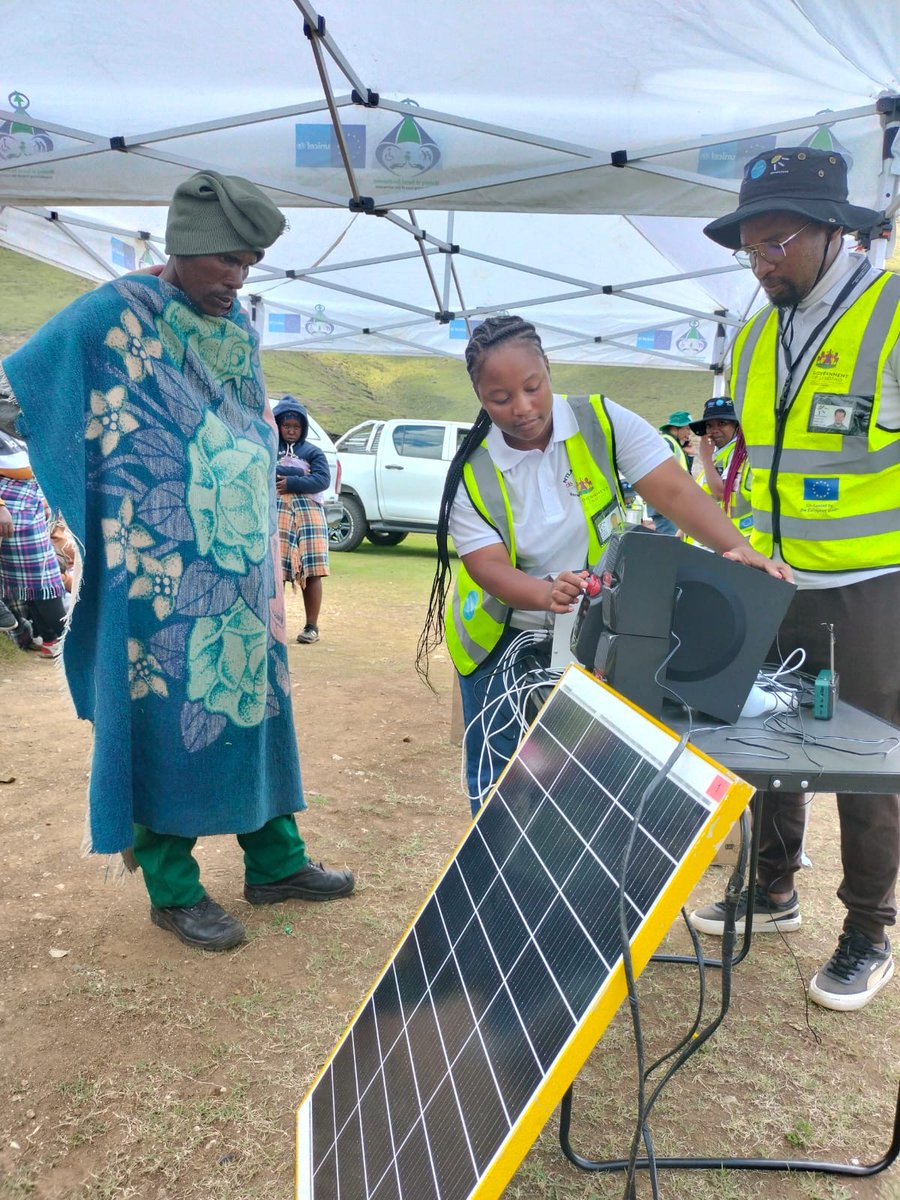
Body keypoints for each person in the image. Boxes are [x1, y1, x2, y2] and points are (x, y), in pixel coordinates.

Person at [1, 170, 354, 951]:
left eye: (249, 264)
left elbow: (242, 421)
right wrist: (103, 487)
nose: (237, 279)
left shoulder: (237, 331)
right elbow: (31, 378)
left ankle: (275, 863)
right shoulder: (113, 313)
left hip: (240, 560)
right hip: (153, 568)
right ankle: (172, 887)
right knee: (164, 712)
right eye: (226, 260)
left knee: (256, 705)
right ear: (184, 247)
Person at [416, 315, 791, 813]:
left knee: (579, 772)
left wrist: (733, 548)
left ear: (549, 370)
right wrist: (544, 593)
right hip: (499, 643)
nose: (523, 408)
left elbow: (675, 491)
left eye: (533, 387)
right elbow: (487, 566)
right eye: (500, 399)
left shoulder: (601, 419)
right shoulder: (471, 471)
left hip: (590, 630)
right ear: (479, 396)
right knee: (502, 783)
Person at [689, 146, 898, 1011]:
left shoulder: (890, 314)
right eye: (751, 247)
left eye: (776, 243)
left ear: (831, 231)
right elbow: (745, 457)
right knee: (767, 741)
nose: (762, 262)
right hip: (768, 581)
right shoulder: (753, 333)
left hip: (868, 584)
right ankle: (769, 888)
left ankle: (867, 930)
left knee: (866, 759)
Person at [0, 424, 67, 656]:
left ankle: (52, 638)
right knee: (41, 577)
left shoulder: (14, 416)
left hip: (28, 493)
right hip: (9, 501)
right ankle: (64, 638)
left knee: (39, 579)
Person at [272, 396, 331, 644]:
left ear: (303, 428)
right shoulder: (268, 448)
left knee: (312, 571)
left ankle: (311, 627)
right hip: (277, 514)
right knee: (276, 571)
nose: (291, 431)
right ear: (277, 425)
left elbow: (322, 480)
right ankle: (275, 626)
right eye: (287, 427)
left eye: (296, 427)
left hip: (309, 516)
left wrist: (292, 481)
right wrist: (299, 472)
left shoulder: (313, 452)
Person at [685, 397, 753, 545]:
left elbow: (721, 492)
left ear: (737, 426)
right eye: (709, 425)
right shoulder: (720, 455)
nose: (714, 430)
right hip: (711, 541)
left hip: (730, 543)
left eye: (722, 423)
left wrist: (705, 457)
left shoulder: (740, 454)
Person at [649, 410, 694, 534]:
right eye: (686, 428)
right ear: (675, 428)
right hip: (666, 506)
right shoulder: (666, 442)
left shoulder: (673, 444)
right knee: (669, 544)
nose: (689, 433)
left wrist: (689, 455)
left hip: (670, 505)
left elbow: (683, 472)